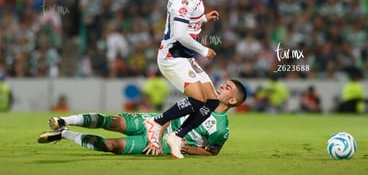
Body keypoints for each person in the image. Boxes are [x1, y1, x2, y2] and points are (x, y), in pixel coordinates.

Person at [37, 79, 247, 157]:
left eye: (228, 88)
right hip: (154, 123)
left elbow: (212, 152)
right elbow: (173, 113)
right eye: (224, 83)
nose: (221, 86)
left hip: (162, 145)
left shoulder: (221, 129)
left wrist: (189, 149)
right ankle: (65, 120)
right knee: (114, 122)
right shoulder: (201, 97)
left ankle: (64, 134)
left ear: (232, 102)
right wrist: (160, 128)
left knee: (112, 145)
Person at [144, 0, 221, 158]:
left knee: (212, 101)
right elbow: (179, 34)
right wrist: (204, 50)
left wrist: (204, 18)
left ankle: (177, 136)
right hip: (172, 55)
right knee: (198, 100)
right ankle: (158, 121)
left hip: (184, 56)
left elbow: (187, 21)